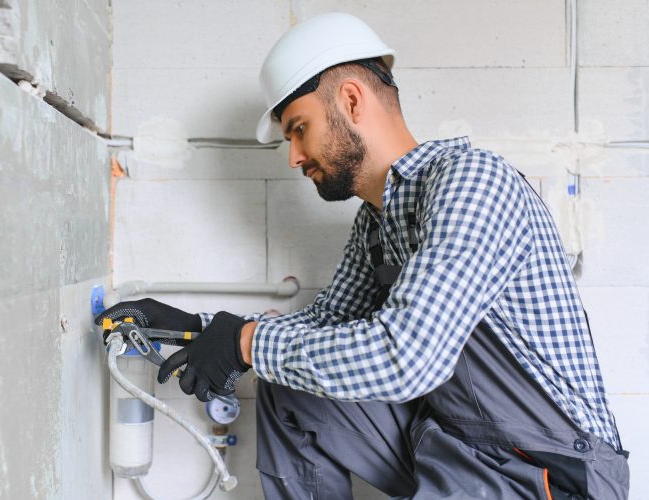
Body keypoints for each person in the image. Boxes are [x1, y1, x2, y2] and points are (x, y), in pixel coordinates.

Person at [97, 12, 629, 499]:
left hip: (552, 469)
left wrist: (246, 343)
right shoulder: (376, 222)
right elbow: (322, 325)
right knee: (289, 387)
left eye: (299, 129)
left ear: (351, 101)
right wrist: (204, 328)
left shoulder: (471, 182)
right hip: (463, 448)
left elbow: (407, 356)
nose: (294, 157)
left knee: (285, 360)